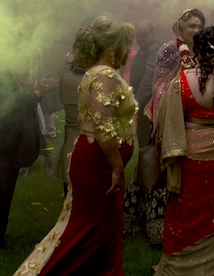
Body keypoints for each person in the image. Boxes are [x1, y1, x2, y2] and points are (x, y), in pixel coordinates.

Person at [14, 16, 137, 275]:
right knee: (88, 232)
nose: (128, 50)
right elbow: (103, 126)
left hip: (97, 159)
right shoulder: (104, 74)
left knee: (105, 231)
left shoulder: (95, 72)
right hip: (99, 163)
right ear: (113, 45)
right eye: (126, 44)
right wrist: (116, 166)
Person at [154, 26, 214, 275]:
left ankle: (177, 268)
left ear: (198, 51)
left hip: (189, 158)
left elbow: (166, 119)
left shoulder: (184, 81)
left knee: (184, 211)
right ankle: (210, 269)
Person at [124, 9, 205, 245]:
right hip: (164, 115)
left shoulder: (201, 49)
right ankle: (155, 226)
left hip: (190, 118)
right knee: (159, 170)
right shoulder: (170, 48)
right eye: (191, 25)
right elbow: (158, 85)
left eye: (199, 25)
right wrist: (163, 119)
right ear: (179, 27)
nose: (196, 30)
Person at [0, 69, 57, 250]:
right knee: (2, 193)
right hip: (4, 144)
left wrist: (35, 91)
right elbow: (14, 104)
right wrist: (37, 92)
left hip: (8, 144)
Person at [52, 57, 86, 197]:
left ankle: (67, 192)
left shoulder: (65, 78)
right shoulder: (91, 81)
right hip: (86, 130)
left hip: (70, 128)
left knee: (68, 158)